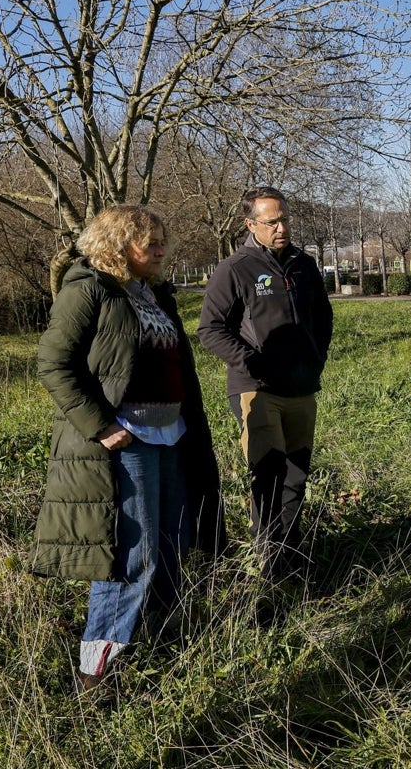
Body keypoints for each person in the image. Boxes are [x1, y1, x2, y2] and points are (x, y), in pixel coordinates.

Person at [32, 205, 222, 693]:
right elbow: (54, 365)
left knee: (170, 547)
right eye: (149, 242)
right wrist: (102, 427)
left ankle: (154, 644)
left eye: (162, 240)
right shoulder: (89, 289)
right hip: (125, 441)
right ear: (118, 245)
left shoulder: (152, 293)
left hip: (170, 436)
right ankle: (98, 672)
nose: (160, 249)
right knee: (129, 556)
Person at [198, 186, 333, 583]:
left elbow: (322, 318)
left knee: (296, 475)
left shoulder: (304, 265)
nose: (281, 227)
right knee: (269, 474)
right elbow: (211, 329)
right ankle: (269, 561)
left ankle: (291, 553)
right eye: (271, 221)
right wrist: (253, 362)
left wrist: (316, 358)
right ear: (250, 224)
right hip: (256, 390)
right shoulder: (234, 269)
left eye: (285, 218)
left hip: (302, 388)